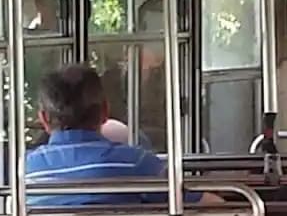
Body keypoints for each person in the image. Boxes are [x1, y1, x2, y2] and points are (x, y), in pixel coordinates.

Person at [25, 64, 220, 207]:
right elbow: (201, 204)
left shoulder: (26, 171)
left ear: (43, 119)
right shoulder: (136, 163)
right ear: (105, 111)